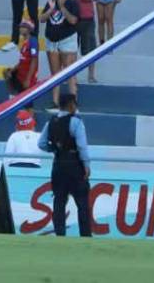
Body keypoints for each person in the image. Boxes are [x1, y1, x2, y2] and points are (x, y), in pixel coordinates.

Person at [37, 92, 92, 237]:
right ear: (71, 105)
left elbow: (41, 143)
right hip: (74, 164)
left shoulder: (51, 122)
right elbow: (82, 146)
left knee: (59, 201)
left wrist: (55, 149)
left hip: (58, 164)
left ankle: (60, 235)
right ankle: (85, 235)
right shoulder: (76, 122)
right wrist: (86, 165)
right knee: (82, 203)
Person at [61, 0, 100, 83]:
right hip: (71, 18)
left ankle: (91, 75)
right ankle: (70, 76)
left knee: (90, 48)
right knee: (70, 49)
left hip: (87, 18)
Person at [42, 0, 80, 109]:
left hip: (67, 40)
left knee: (70, 72)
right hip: (52, 41)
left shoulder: (72, 3)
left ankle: (73, 102)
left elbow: (73, 20)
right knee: (55, 74)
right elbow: (41, 19)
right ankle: (55, 102)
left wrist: (62, 7)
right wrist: (50, 10)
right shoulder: (51, 2)